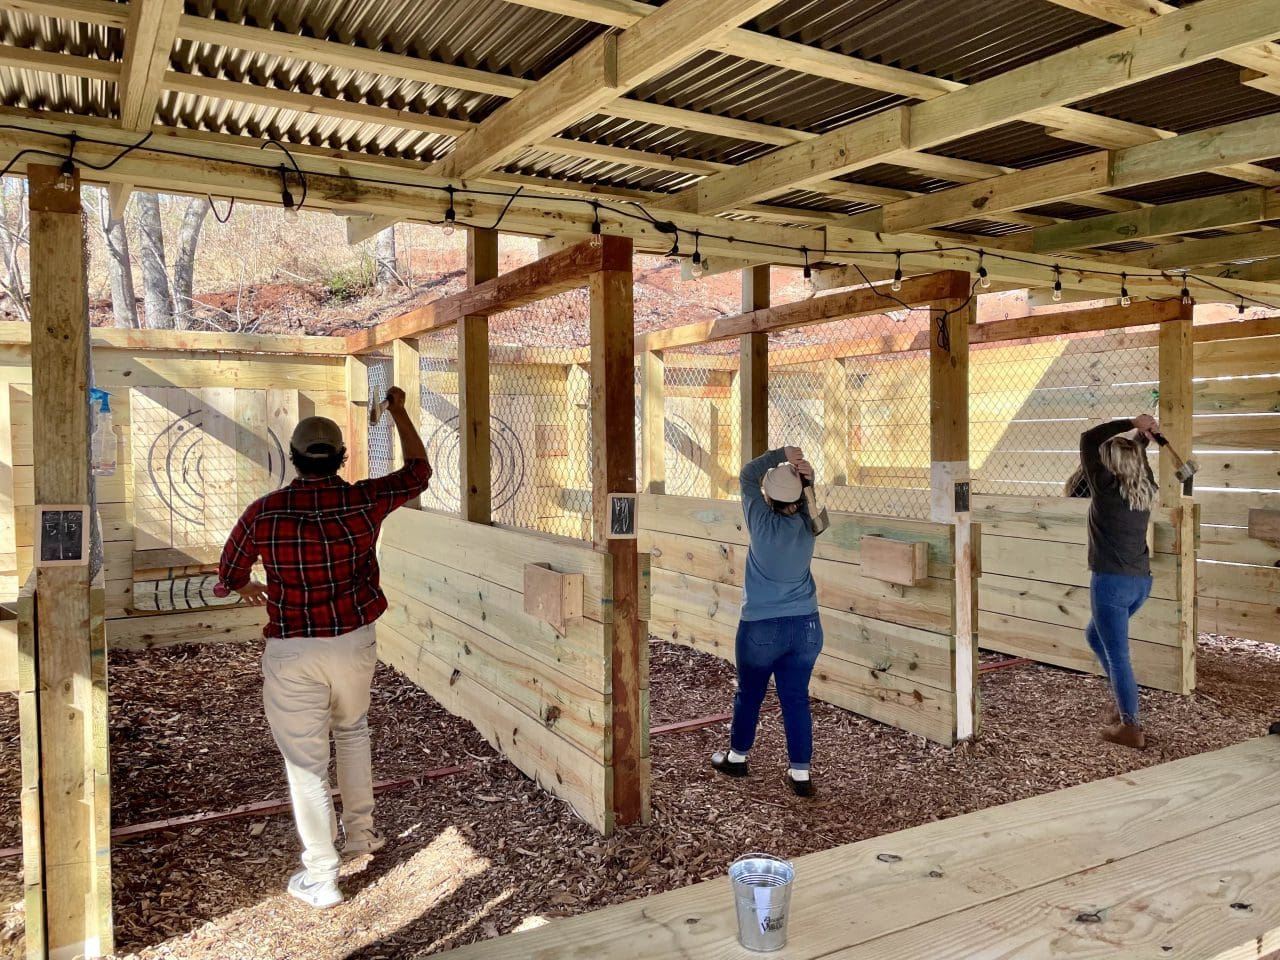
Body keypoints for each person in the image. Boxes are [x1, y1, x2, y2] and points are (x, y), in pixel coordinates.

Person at [218, 386, 431, 908]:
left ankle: (322, 874)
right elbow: (419, 471)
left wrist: (245, 587)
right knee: (352, 731)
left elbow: (230, 572)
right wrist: (400, 412)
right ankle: (362, 835)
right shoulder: (363, 501)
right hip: (354, 642)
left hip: (292, 650)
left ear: (293, 458)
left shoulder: (263, 512)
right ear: (342, 457)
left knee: (306, 764)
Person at [710, 446, 822, 798]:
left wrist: (780, 454)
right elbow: (814, 508)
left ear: (768, 497)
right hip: (806, 627)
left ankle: (737, 757)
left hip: (761, 626)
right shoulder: (810, 525)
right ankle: (800, 774)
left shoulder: (760, 521)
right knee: (796, 698)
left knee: (750, 694)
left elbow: (747, 475)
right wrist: (807, 480)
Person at [1079, 413, 1159, 750]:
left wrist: (1132, 422)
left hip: (1111, 584)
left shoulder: (1106, 489)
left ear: (1109, 464)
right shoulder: (1144, 488)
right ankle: (1123, 701)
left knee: (1118, 655)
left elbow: (1088, 438)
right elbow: (1135, 459)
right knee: (1094, 636)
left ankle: (1131, 726)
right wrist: (1142, 438)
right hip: (1140, 583)